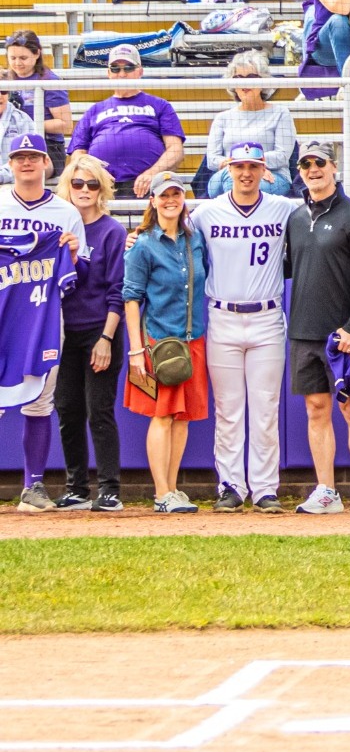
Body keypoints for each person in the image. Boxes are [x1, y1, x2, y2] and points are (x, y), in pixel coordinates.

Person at [188, 141, 294, 513]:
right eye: (238, 166)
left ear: (265, 169)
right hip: (223, 316)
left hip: (267, 317)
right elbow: (170, 235)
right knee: (229, 410)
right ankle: (230, 486)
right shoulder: (206, 213)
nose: (245, 173)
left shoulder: (284, 209)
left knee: (265, 408)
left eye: (252, 166)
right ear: (227, 169)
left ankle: (265, 489)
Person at [285, 140, 350, 515]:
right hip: (303, 332)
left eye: (319, 162)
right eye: (306, 164)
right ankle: (326, 490)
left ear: (334, 167)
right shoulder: (295, 218)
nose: (313, 169)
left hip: (343, 335)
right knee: (316, 409)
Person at [1, 133, 86, 512]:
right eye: (19, 157)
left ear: (46, 163)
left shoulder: (65, 213)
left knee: (39, 401)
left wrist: (71, 252)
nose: (26, 163)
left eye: (33, 156)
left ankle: (32, 486)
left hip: (43, 318)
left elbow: (78, 273)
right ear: (10, 163)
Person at [120, 172, 206, 514]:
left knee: (182, 417)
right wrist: (136, 350)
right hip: (160, 343)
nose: (171, 200)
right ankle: (160, 492)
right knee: (162, 416)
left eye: (176, 193)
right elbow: (130, 298)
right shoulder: (142, 244)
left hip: (193, 340)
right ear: (152, 201)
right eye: (164, 195)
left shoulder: (194, 239)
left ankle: (173, 488)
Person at [52, 153, 124, 511]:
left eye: (91, 184)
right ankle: (76, 487)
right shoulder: (59, 228)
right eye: (77, 183)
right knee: (67, 408)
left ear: (102, 189)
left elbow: (117, 290)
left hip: (99, 330)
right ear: (67, 186)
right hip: (64, 332)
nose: (83, 189)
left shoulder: (111, 230)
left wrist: (107, 339)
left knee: (99, 410)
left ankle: (109, 489)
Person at [69, 45, 184, 198]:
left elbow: (176, 149)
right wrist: (96, 172)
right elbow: (77, 153)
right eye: (115, 69)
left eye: (128, 68)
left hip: (147, 184)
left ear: (140, 71)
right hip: (100, 185)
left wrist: (152, 173)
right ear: (108, 73)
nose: (122, 74)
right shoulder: (94, 110)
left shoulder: (160, 105)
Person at [203, 51, 296, 196]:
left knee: (235, 182)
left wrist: (254, 167)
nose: (244, 83)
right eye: (238, 78)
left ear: (263, 81)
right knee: (232, 179)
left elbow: (282, 156)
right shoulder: (222, 118)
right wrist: (239, 166)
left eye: (251, 77)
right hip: (227, 173)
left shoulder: (281, 113)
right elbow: (212, 160)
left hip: (272, 175)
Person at [6, 29, 71, 175]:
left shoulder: (50, 81)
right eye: (13, 58)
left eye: (23, 58)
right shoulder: (5, 80)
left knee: (25, 170)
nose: (17, 63)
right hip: (9, 143)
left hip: (48, 147)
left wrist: (27, 125)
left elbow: (65, 125)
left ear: (37, 54)